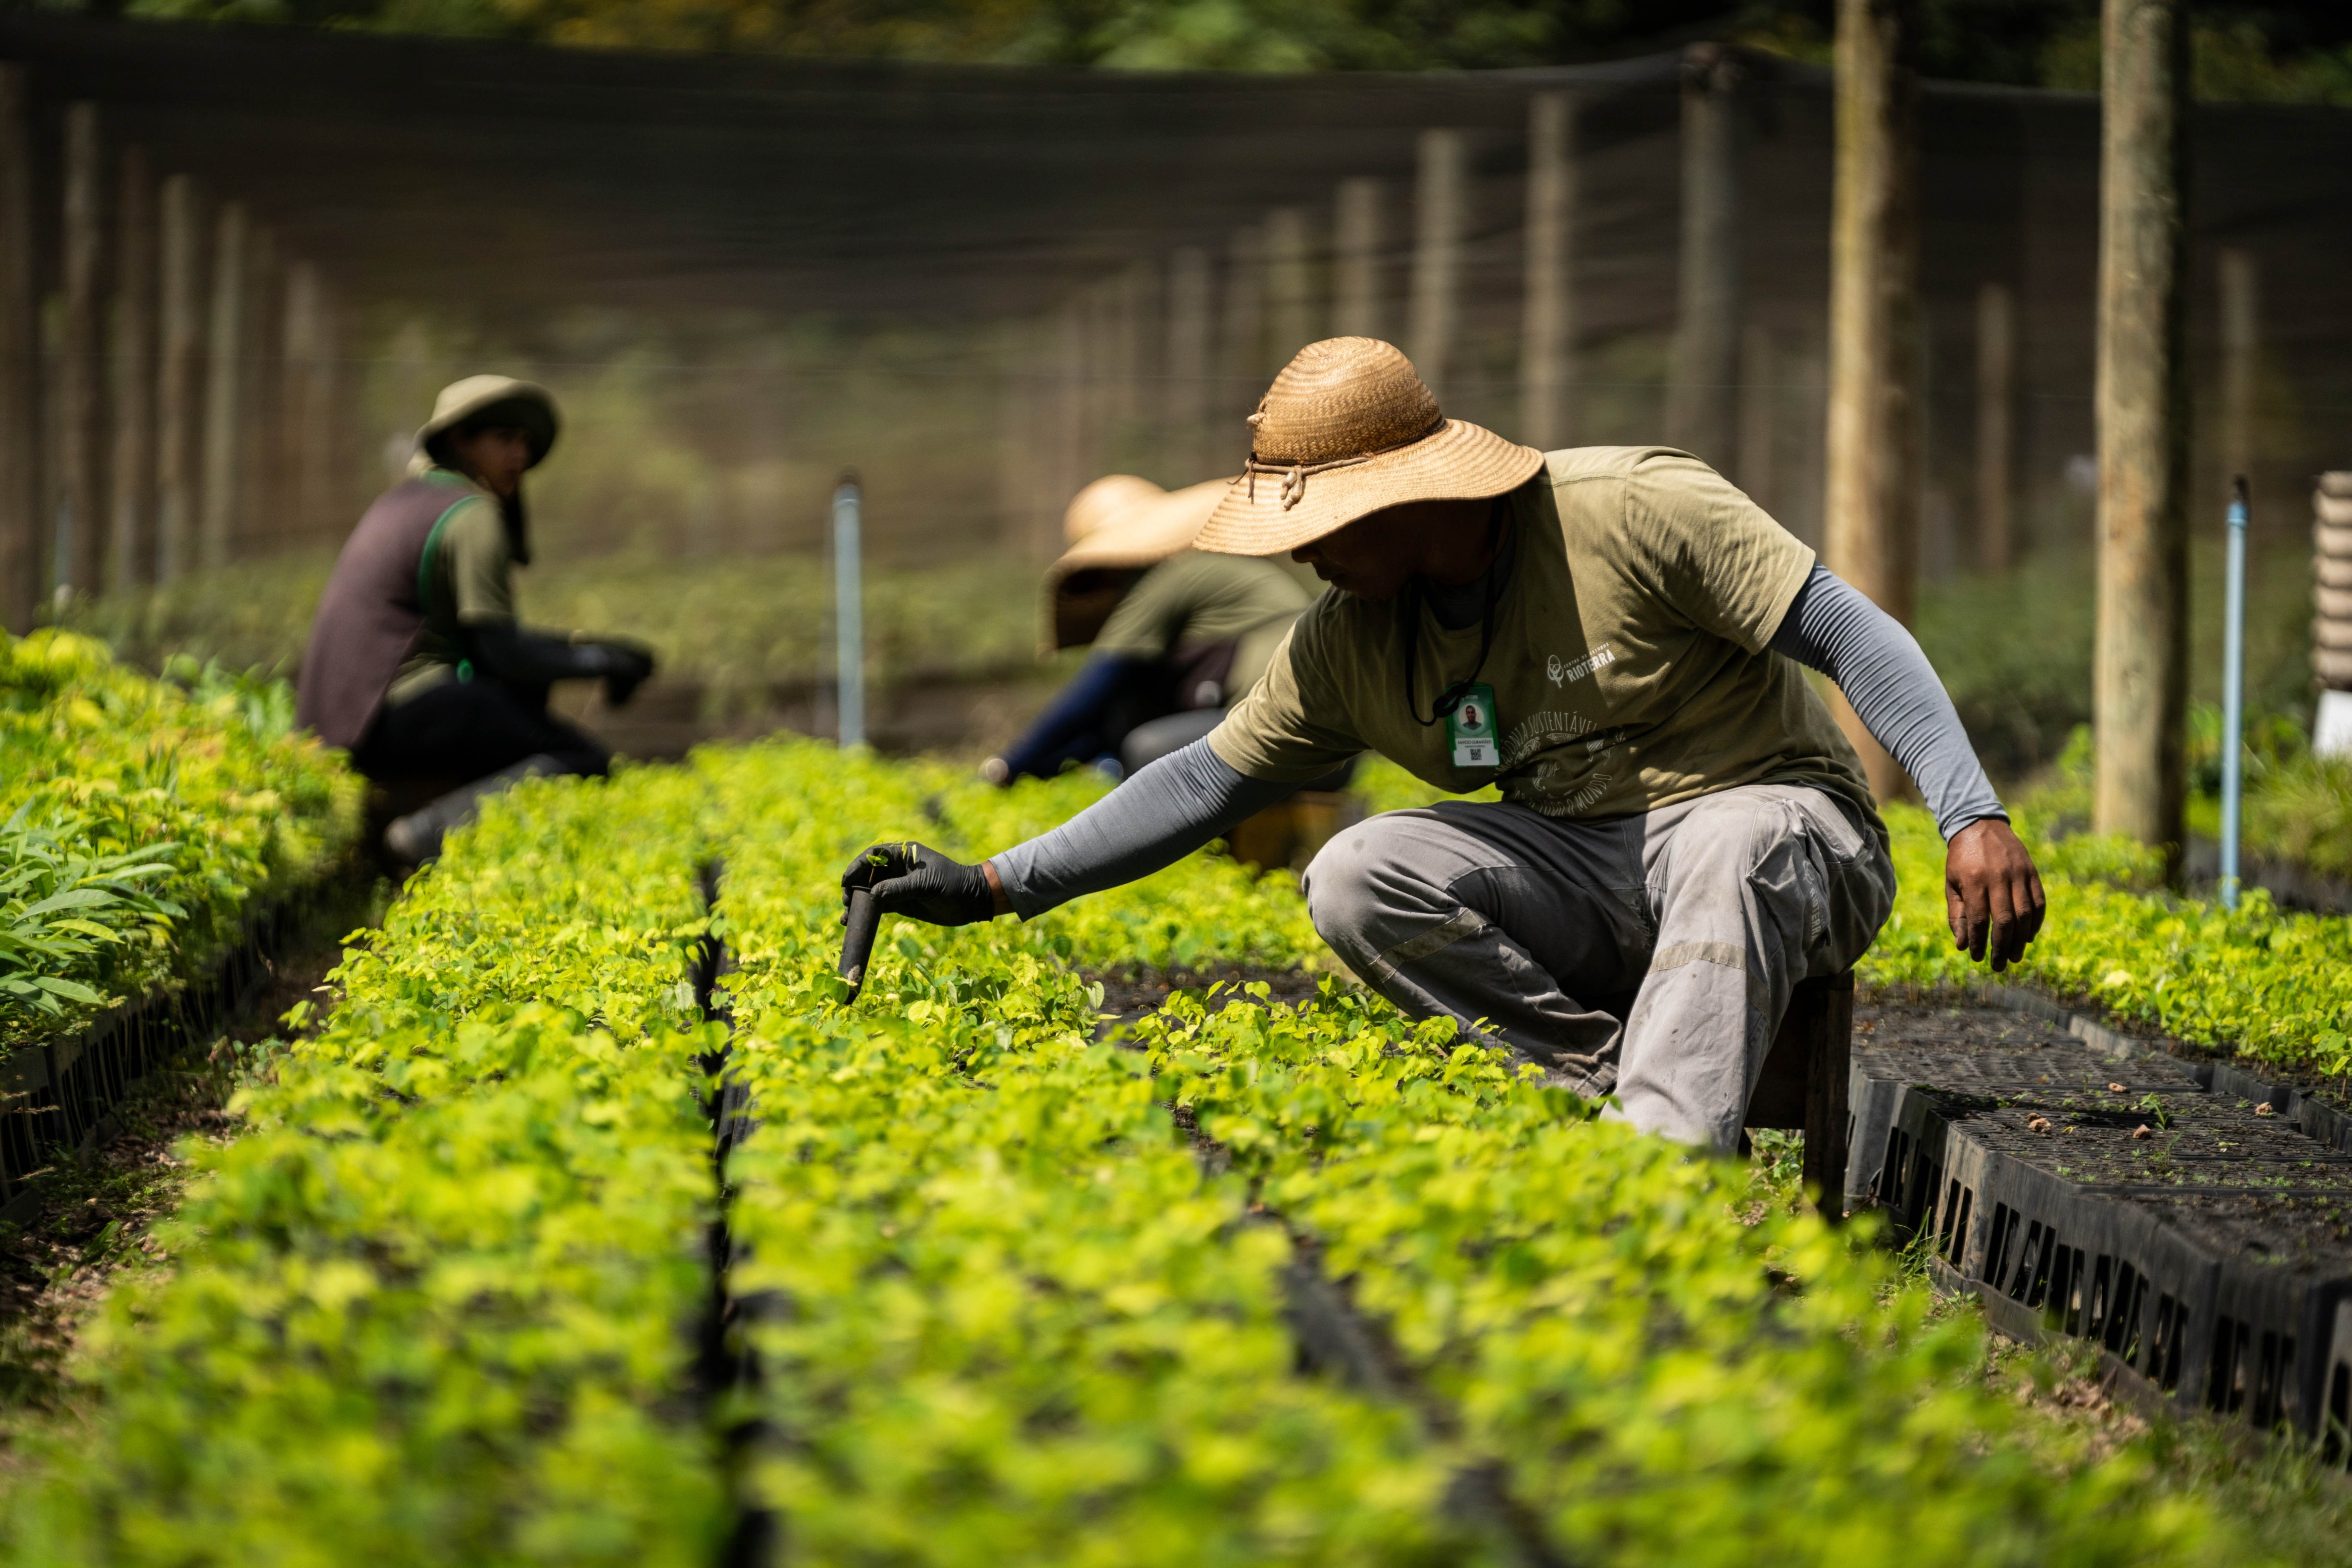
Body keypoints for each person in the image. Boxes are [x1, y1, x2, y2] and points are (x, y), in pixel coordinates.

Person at [844, 337, 2047, 1154]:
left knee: (1733, 835)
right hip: (1583, 864)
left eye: (1321, 523)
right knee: (1361, 871)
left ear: (1405, 500)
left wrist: (1968, 810)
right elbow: (1205, 779)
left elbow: (1848, 629)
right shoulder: (1350, 640)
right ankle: (1618, 1090)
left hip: (1778, 823)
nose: (1304, 553)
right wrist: (997, 882)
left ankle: (1660, 1186)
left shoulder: (1628, 508)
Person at [296, 375, 656, 863]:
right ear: (460, 441)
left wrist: (590, 651)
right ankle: (425, 834)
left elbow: (487, 645)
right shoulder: (471, 513)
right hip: (398, 713)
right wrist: (601, 660)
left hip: (344, 722)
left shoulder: (407, 500)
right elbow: (502, 653)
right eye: (504, 441)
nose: (519, 458)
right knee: (584, 761)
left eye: (525, 444)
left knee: (517, 702)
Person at [986, 474, 1315, 784]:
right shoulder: (1210, 569)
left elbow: (1093, 691)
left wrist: (1008, 765)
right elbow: (1104, 724)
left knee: (1145, 748)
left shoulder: (1171, 578)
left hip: (1284, 733)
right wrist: (1034, 768)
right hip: (1320, 739)